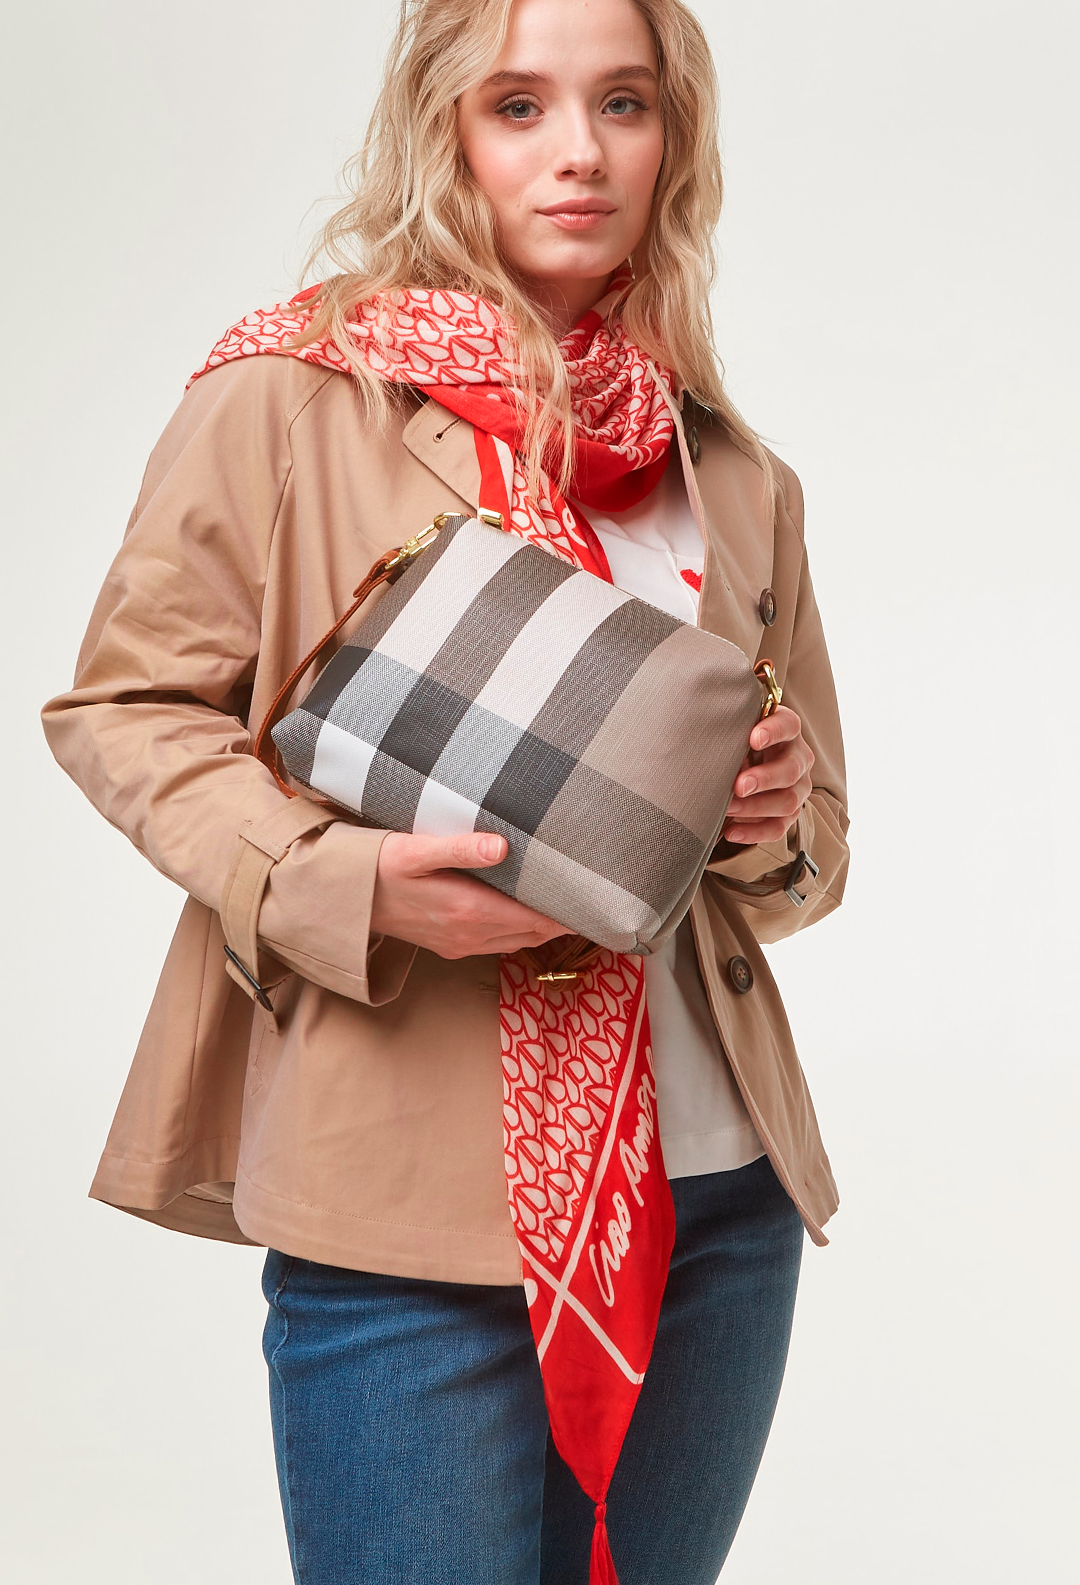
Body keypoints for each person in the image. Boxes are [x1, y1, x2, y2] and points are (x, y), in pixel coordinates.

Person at [42, 0, 849, 1580]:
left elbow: (817, 850)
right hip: (401, 1227)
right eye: (518, 105)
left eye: (624, 103)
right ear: (443, 130)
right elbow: (124, 710)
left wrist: (773, 817)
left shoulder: (733, 471)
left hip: (712, 1210)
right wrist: (344, 886)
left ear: (672, 138)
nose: (579, 152)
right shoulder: (291, 395)